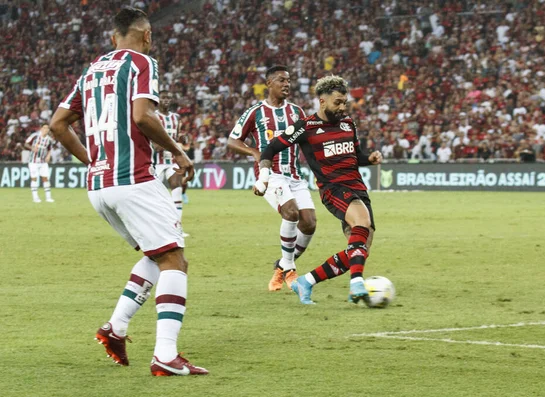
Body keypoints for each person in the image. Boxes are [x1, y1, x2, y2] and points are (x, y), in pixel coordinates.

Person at [49, 7, 208, 376]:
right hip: (133, 179)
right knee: (174, 260)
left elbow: (57, 125)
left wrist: (92, 160)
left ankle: (115, 328)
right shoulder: (142, 63)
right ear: (147, 35)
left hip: (99, 186)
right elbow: (141, 116)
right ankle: (166, 355)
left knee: (156, 254)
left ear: (112, 37)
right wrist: (178, 151)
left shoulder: (90, 71)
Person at [254, 75, 382, 305]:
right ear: (322, 101)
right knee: (361, 224)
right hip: (333, 188)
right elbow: (270, 149)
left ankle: (307, 282)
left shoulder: (348, 123)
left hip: (357, 187)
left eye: (345, 102)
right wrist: (264, 176)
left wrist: (369, 159)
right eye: (338, 102)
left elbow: (355, 156)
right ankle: (356, 284)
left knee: (359, 248)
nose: (343, 107)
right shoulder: (306, 127)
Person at [227, 65, 317, 292]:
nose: (286, 84)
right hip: (271, 175)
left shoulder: (297, 112)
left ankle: (282, 266)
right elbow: (232, 141)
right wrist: (255, 153)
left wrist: (320, 171)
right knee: (291, 212)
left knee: (309, 224)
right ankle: (290, 269)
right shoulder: (255, 112)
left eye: (288, 80)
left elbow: (309, 142)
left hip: (295, 175)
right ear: (268, 84)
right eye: (281, 80)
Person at [153, 90, 189, 237]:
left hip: (172, 161)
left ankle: (177, 228)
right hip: (156, 162)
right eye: (163, 98)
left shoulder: (176, 118)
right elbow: (152, 140)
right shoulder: (153, 116)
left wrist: (182, 139)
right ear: (158, 100)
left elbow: (178, 136)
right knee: (154, 196)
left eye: (168, 98)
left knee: (177, 190)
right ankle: (154, 226)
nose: (166, 100)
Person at [24, 124, 55, 203]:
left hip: (43, 162)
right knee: (34, 178)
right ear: (41, 129)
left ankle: (48, 197)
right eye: (44, 128)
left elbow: (49, 149)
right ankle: (35, 197)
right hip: (33, 161)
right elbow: (26, 144)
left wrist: (48, 156)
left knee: (45, 178)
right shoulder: (35, 136)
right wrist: (32, 148)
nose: (46, 130)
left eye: (47, 128)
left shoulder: (49, 140)